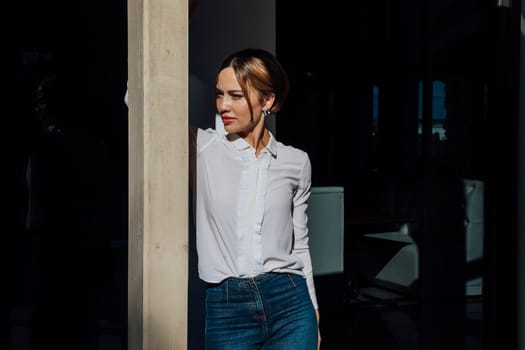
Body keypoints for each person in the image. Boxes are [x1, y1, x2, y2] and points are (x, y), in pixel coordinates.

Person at [189, 48, 321, 350]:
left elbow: (300, 245)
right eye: (219, 94)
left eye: (235, 95)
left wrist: (314, 311)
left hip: (290, 301)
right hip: (227, 306)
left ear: (268, 101)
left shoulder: (296, 162)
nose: (224, 105)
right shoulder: (202, 147)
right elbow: (141, 104)